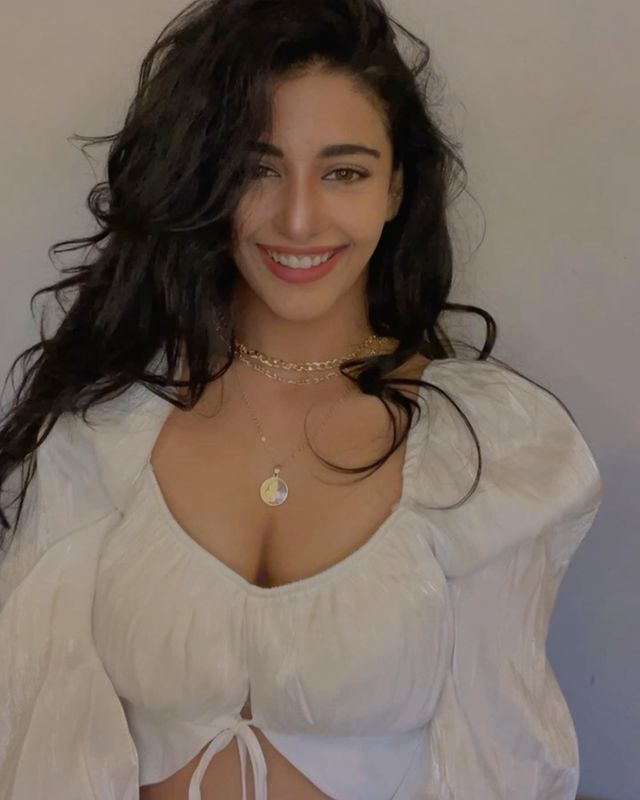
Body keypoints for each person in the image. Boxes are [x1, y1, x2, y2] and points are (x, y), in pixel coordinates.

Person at [0, 0, 603, 798]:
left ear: (395, 188)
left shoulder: (488, 450)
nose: (297, 217)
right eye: (258, 169)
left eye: (343, 171)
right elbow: (39, 739)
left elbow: (499, 762)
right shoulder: (106, 426)